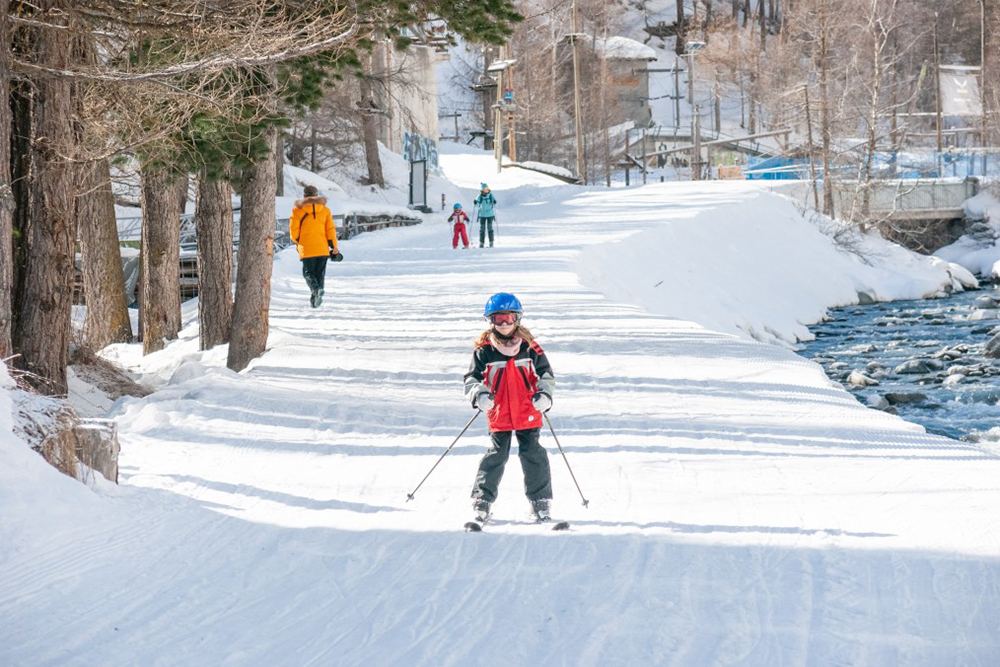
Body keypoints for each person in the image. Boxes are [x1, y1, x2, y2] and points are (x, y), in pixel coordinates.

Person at [464, 292, 555, 524]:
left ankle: (540, 501)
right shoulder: (484, 350)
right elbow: (472, 379)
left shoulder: (530, 347)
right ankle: (482, 501)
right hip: (500, 412)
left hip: (528, 410)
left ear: (518, 318)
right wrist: (480, 395)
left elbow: (546, 374)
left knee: (533, 454)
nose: (504, 324)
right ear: (490, 321)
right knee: (497, 455)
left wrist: (544, 394)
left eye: (508, 318)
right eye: (498, 319)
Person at [290, 185, 341, 308]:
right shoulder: (325, 210)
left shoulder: (297, 210)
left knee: (308, 273)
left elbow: (293, 231)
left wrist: (298, 241)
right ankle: (315, 300)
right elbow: (330, 230)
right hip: (322, 248)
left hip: (307, 248)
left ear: (304, 196)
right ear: (317, 195)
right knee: (320, 274)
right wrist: (334, 246)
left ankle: (315, 291)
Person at [473, 183, 497, 248]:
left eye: (487, 188)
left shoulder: (490, 195)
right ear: (482, 190)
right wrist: (475, 202)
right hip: (482, 215)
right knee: (482, 229)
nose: (487, 190)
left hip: (490, 214)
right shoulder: (480, 196)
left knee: (490, 228)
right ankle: (481, 243)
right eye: (485, 189)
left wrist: (494, 201)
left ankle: (491, 243)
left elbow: (494, 200)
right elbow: (477, 201)